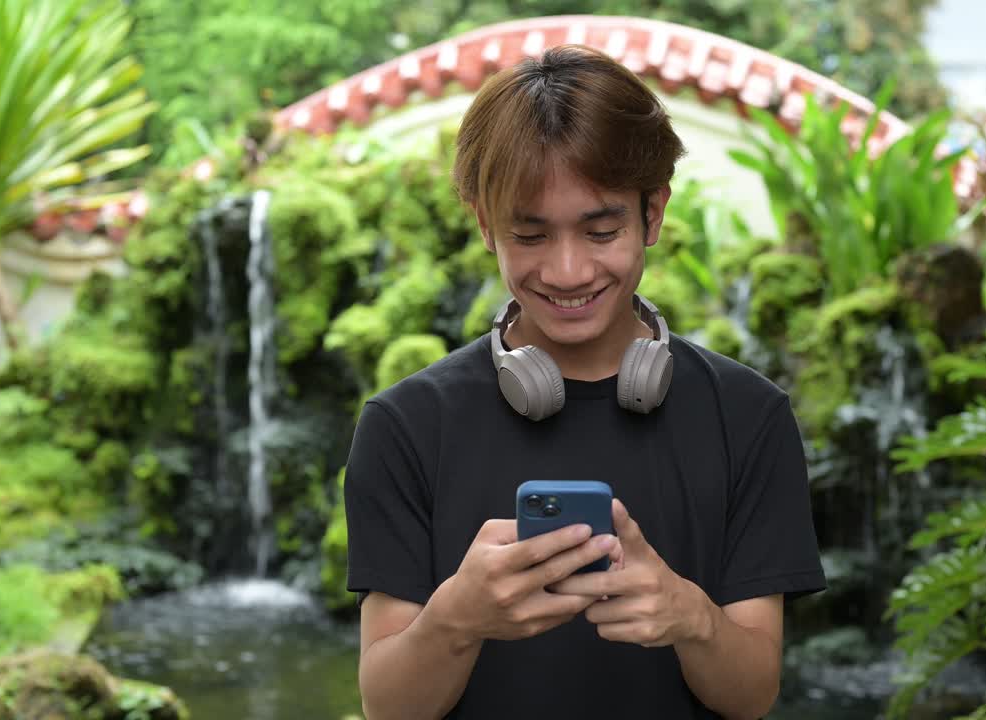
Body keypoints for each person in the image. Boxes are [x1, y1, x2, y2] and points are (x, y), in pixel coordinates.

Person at [343, 43, 826, 720]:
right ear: (485, 224)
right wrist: (457, 620)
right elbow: (388, 709)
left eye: (601, 230)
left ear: (652, 213)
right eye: (531, 236)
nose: (568, 272)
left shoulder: (748, 416)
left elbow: (751, 697)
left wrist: (692, 617)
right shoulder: (405, 427)